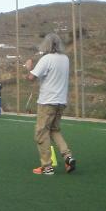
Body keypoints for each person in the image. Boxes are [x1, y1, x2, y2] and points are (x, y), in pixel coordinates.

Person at [26, 33, 76, 176]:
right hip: (61, 101)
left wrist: (29, 68)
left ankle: (47, 166)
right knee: (54, 130)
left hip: (47, 102)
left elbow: (31, 78)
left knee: (41, 133)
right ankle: (68, 157)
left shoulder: (46, 59)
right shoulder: (65, 59)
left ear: (46, 45)